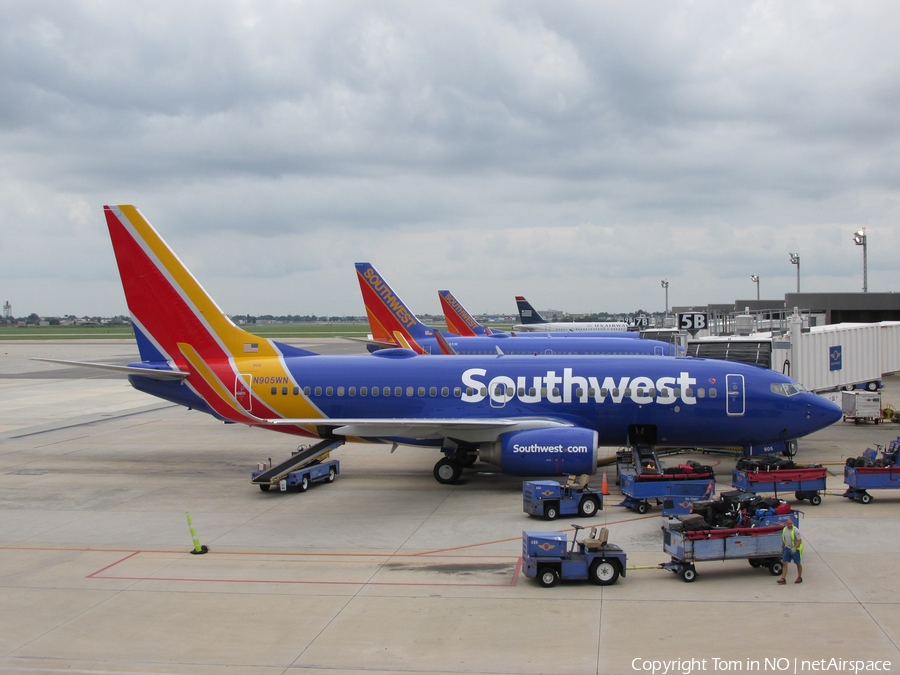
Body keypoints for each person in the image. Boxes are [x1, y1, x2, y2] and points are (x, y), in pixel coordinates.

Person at [777, 519, 802, 584]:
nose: (790, 525)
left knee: (798, 563)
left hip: (795, 550)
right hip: (787, 548)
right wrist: (783, 546)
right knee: (785, 563)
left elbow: (799, 540)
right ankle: (783, 579)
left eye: (791, 523)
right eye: (788, 524)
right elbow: (784, 538)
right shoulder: (785, 530)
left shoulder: (796, 530)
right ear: (786, 524)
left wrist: (795, 548)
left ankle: (799, 577)